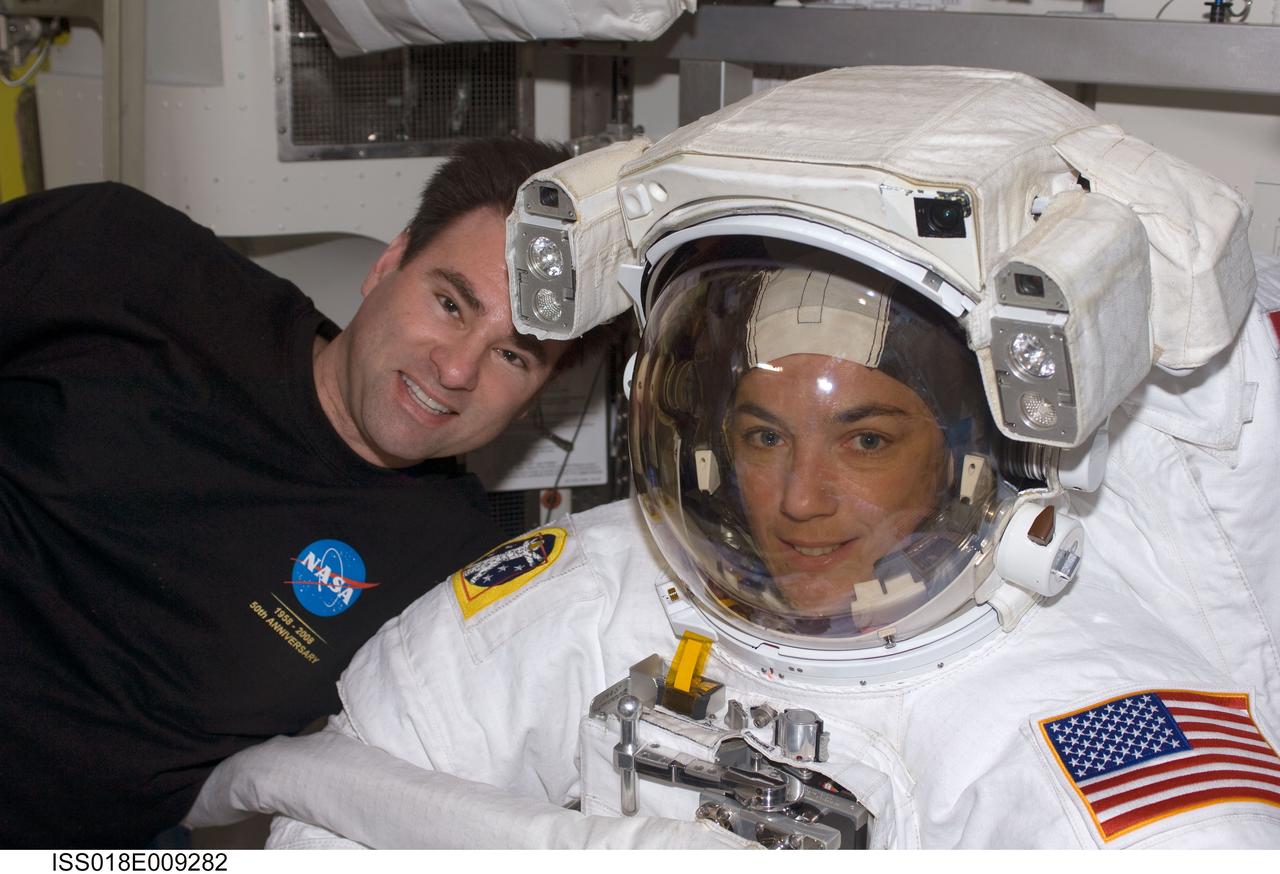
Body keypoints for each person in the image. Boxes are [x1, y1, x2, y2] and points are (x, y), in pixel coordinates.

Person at [185, 67, 1280, 849]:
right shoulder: (599, 594)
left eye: (864, 436)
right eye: (760, 434)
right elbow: (343, 806)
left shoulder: (1088, 739)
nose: (798, 498)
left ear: (975, 455)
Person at [0, 137, 612, 847]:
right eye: (449, 303)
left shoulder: (456, 577)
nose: (455, 369)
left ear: (540, 392)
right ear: (389, 262)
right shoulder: (126, 265)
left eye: (514, 355)